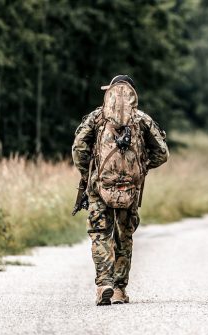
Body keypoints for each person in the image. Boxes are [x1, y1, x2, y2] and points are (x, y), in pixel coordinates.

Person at [72, 75, 169, 306]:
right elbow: (162, 153)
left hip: (99, 186)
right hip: (130, 189)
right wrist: (142, 167)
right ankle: (119, 290)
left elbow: (78, 148)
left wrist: (89, 174)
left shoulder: (97, 117)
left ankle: (103, 284)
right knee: (124, 236)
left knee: (100, 234)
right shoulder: (141, 119)